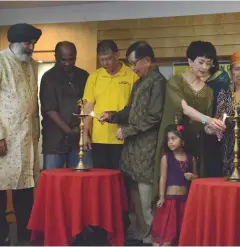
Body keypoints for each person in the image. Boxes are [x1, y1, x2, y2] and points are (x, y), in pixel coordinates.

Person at [98, 41, 166, 244]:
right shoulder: (139, 82)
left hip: (146, 148)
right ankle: (139, 235)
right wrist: (112, 115)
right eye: (130, 64)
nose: (133, 68)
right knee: (133, 198)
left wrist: (127, 130)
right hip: (132, 150)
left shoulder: (158, 82)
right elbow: (130, 111)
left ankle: (152, 238)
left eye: (135, 63)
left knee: (146, 201)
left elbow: (154, 116)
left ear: (147, 60)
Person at [0, 23, 42, 245]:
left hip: (26, 138)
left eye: (33, 43)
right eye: (28, 43)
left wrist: (36, 135)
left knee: (25, 188)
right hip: (3, 139)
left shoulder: (31, 65)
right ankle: (0, 235)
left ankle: (25, 235)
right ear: (15, 43)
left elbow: (32, 102)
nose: (31, 47)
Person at [154, 41, 215, 202]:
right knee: (167, 187)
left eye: (208, 63)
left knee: (192, 189)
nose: (204, 67)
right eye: (200, 62)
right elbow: (185, 109)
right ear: (189, 61)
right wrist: (208, 119)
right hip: (172, 144)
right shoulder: (175, 82)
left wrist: (215, 128)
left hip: (194, 148)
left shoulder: (208, 91)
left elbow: (205, 127)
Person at [83, 40, 138, 169]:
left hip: (123, 137)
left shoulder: (132, 75)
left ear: (117, 55)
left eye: (108, 59)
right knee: (101, 178)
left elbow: (136, 107)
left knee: (121, 178)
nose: (105, 63)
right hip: (99, 138)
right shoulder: (94, 77)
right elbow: (88, 107)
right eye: (101, 60)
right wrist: (85, 133)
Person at [40, 41, 92, 169]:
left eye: (71, 60)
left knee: (81, 182)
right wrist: (69, 131)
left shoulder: (83, 76)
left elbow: (89, 104)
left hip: (80, 139)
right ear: (56, 57)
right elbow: (49, 109)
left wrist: (82, 131)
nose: (67, 64)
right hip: (55, 140)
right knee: (53, 183)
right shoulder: (48, 78)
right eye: (63, 60)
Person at [151, 124, 198, 246]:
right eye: (168, 139)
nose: (170, 142)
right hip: (170, 201)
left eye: (173, 139)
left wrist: (193, 177)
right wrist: (162, 197)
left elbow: (197, 179)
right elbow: (163, 178)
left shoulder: (191, 158)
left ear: (182, 140)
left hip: (184, 201)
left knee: (182, 231)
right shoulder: (166, 158)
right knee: (167, 233)